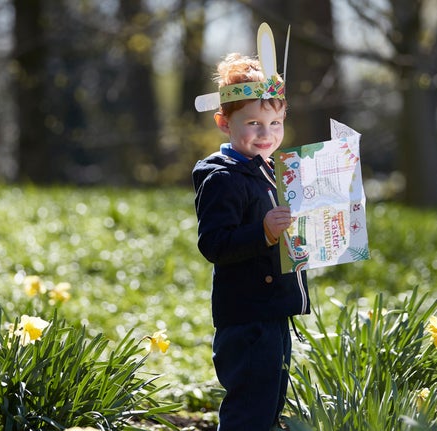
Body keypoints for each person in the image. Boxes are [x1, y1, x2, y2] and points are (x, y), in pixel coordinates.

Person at [191, 46, 311, 430]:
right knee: (250, 408)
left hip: (274, 310)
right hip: (246, 317)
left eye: (275, 124)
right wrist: (263, 232)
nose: (266, 134)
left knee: (271, 402)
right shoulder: (222, 177)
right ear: (224, 123)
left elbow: (281, 234)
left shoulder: (274, 171)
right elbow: (215, 244)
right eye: (254, 124)